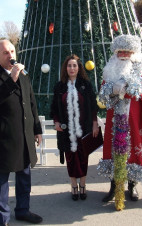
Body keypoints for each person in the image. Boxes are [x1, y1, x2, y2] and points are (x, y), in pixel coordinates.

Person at [0, 40, 43, 225]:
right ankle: (2, 219)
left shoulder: (24, 75)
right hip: (4, 138)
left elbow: (31, 104)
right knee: (1, 182)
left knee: (24, 177)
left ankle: (23, 210)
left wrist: (36, 130)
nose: (10, 55)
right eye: (5, 53)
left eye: (12, 51)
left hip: (24, 135)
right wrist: (11, 78)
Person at [97, 34, 142, 211]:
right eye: (120, 51)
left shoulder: (141, 66)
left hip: (133, 115)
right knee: (114, 148)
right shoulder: (110, 67)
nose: (123, 54)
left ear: (133, 52)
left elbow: (139, 87)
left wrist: (124, 86)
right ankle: (114, 186)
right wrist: (112, 89)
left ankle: (132, 184)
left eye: (127, 52)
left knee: (134, 146)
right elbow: (103, 93)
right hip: (115, 116)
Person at [50, 54, 99, 201]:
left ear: (79, 68)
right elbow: (54, 108)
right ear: (65, 68)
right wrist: (56, 122)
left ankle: (83, 185)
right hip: (66, 130)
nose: (72, 68)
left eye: (74, 65)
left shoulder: (86, 85)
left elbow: (93, 107)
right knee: (70, 158)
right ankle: (73, 185)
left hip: (83, 128)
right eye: (69, 65)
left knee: (83, 158)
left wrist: (95, 124)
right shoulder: (59, 86)